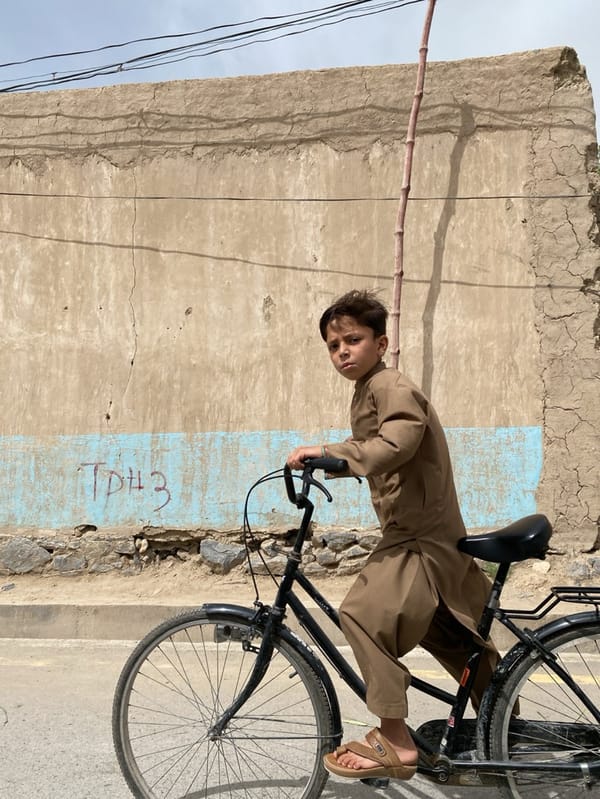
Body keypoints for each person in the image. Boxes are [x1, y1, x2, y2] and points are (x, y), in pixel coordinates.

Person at [286, 289, 499, 781]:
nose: (342, 351)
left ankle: (395, 738)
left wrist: (330, 455)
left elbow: (396, 442)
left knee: (361, 615)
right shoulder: (367, 389)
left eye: (353, 339)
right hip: (415, 532)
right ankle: (502, 720)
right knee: (448, 634)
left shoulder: (390, 385)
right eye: (333, 345)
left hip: (420, 537)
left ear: (380, 343)